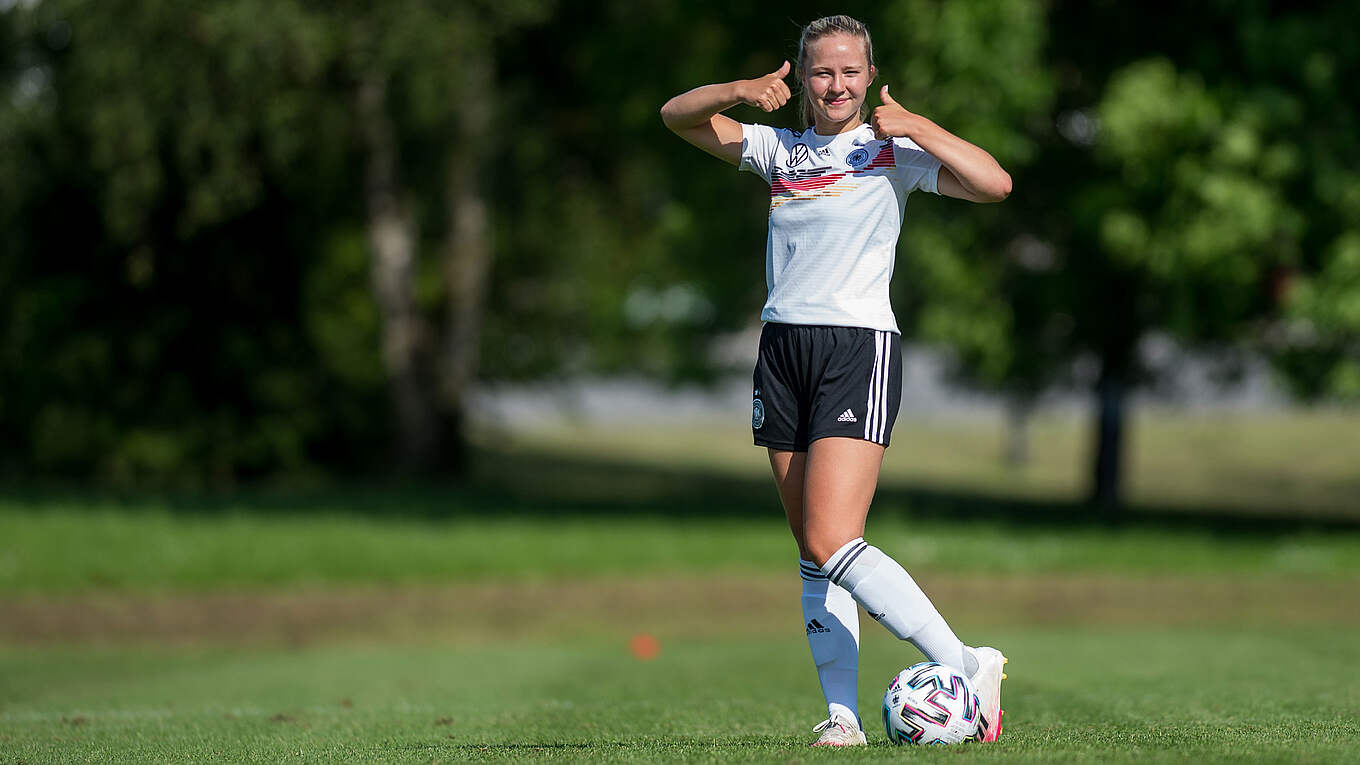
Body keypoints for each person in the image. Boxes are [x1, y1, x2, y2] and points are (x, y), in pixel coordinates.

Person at [660, 14, 1012, 747]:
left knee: (832, 534)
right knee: (811, 548)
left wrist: (915, 123)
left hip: (857, 348)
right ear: (802, 80)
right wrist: (737, 89)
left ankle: (966, 661)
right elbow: (676, 116)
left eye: (850, 70)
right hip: (782, 348)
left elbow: (994, 182)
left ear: (869, 74)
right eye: (823, 71)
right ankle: (842, 717)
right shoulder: (778, 150)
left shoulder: (892, 151)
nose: (837, 83)